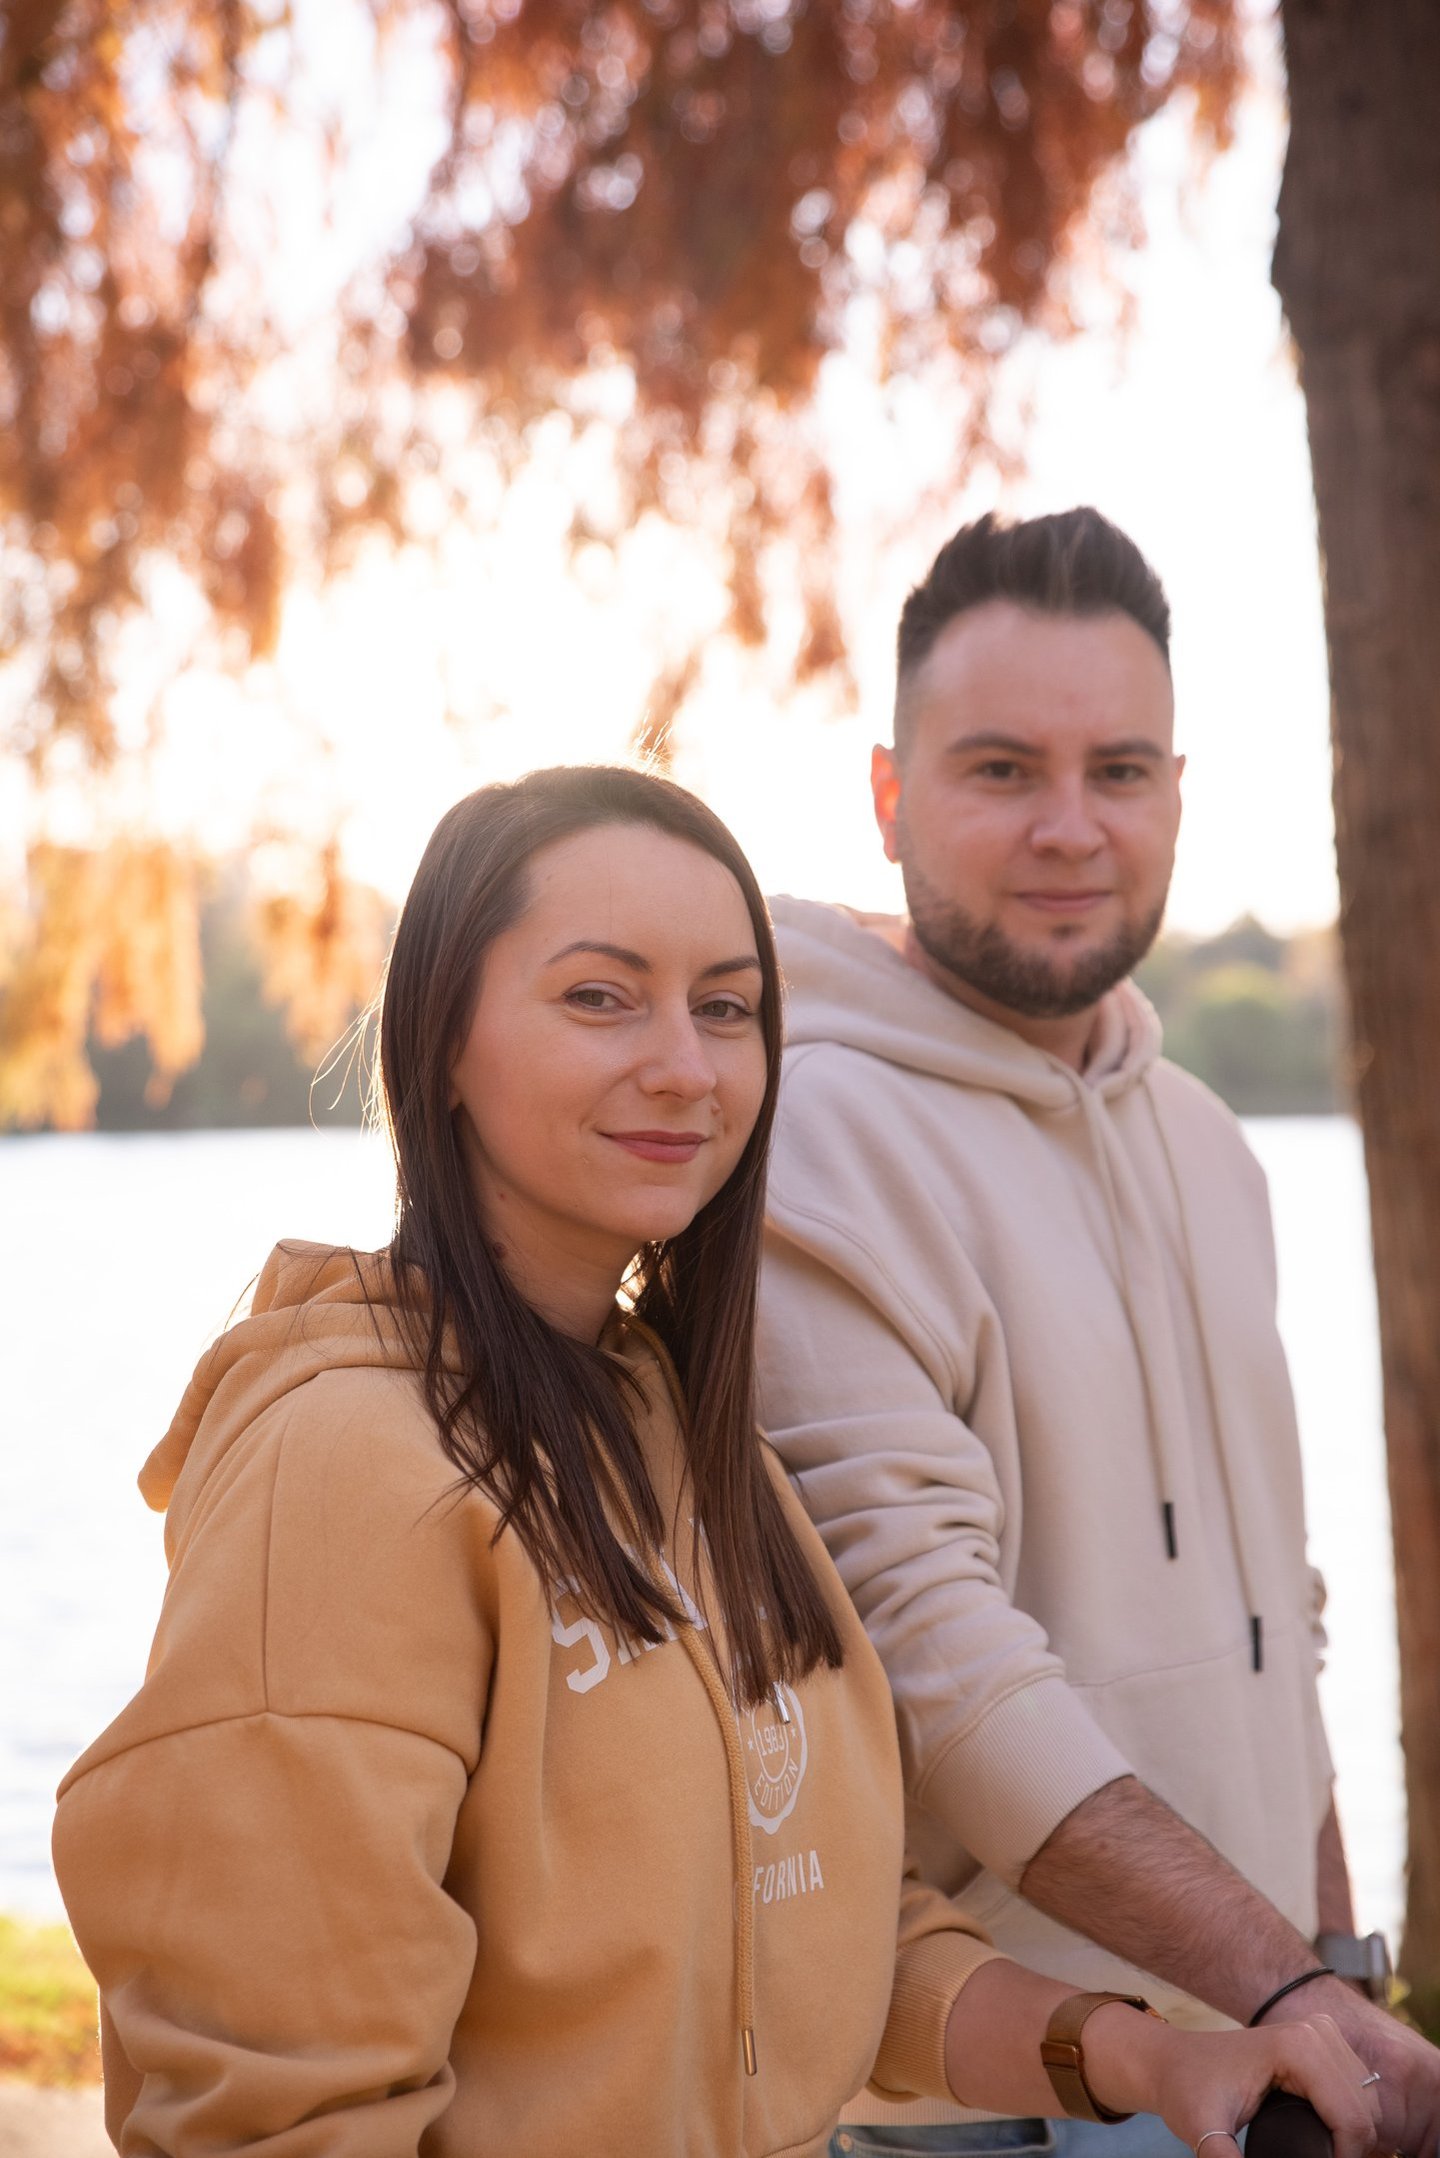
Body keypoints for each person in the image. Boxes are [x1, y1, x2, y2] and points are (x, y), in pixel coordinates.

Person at [54, 765, 1381, 2158]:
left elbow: (814, 1932)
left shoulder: (681, 1433)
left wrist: (1148, 2053)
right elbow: (279, 2112)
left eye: (728, 1007)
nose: (686, 1065)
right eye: (599, 996)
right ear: (442, 1037)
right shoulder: (343, 1470)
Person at [756, 510, 1440, 2158]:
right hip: (1011, 2099)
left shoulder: (1207, 1133)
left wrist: (1338, 1970)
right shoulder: (807, 1135)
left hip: (1275, 2061)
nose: (1072, 826)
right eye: (1002, 769)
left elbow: (1285, 1612)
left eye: (1119, 770)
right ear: (889, 793)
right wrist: (1282, 1985)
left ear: (1180, 796)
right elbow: (939, 1669)